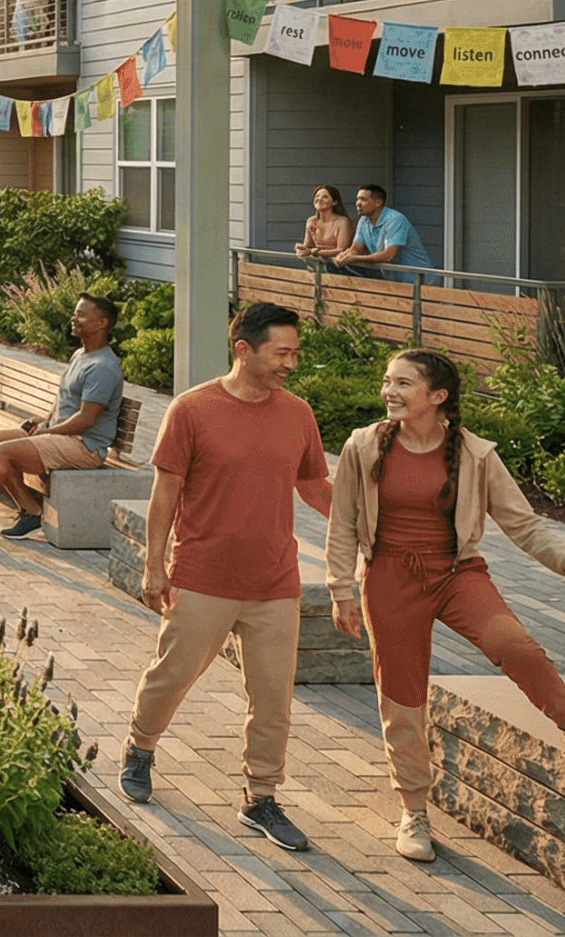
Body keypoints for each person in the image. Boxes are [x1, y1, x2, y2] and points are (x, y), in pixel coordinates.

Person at [326, 348, 565, 864]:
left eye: (403, 384)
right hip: (387, 579)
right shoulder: (364, 446)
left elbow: (524, 523)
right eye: (388, 381)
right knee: (402, 697)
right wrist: (342, 590)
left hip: (455, 573)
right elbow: (341, 525)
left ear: (437, 396)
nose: (390, 392)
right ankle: (414, 810)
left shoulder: (475, 455)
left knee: (516, 646)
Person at [117, 303, 334, 855]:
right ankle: (140, 748)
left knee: (273, 699)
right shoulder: (192, 410)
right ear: (244, 349)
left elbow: (314, 487)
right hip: (203, 575)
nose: (292, 362)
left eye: (295, 352)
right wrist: (153, 564)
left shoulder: (298, 413)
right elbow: (165, 492)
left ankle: (260, 796)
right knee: (171, 676)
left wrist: (372, 524)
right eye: (281, 352)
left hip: (276, 581)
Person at [0, 291, 123, 540]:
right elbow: (64, 401)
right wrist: (42, 421)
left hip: (84, 446)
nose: (73, 318)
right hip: (63, 435)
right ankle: (31, 512)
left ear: (102, 323)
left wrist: (49, 431)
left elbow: (86, 419)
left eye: (81, 315)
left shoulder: (103, 367)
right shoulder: (80, 355)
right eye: (75, 313)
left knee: (4, 453)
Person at [337, 183, 433, 282]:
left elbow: (389, 256)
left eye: (363, 199)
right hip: (394, 281)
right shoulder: (363, 221)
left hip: (419, 280)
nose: (358, 203)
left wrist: (354, 258)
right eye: (357, 199)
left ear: (378, 203)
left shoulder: (394, 219)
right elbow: (356, 248)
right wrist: (344, 255)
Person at [293, 185, 355, 267]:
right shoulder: (311, 221)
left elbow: (341, 250)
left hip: (340, 267)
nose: (319, 199)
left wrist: (313, 252)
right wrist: (300, 249)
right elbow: (307, 246)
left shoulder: (343, 221)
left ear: (335, 202)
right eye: (317, 196)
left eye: (325, 197)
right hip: (318, 265)